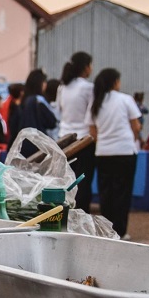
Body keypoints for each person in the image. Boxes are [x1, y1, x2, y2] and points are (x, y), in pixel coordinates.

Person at [85, 68, 142, 240]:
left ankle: (106, 229)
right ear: (115, 82)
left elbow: (92, 132)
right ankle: (120, 231)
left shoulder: (95, 103)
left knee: (105, 192)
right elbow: (136, 126)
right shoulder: (125, 99)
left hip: (103, 152)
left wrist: (102, 142)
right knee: (122, 192)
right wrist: (132, 139)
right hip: (124, 151)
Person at [58, 51, 95, 212]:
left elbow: (60, 110)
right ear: (86, 67)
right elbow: (92, 115)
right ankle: (81, 213)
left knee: (67, 180)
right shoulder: (88, 87)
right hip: (84, 140)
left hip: (64, 139)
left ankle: (66, 211)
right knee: (83, 182)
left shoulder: (62, 87)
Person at [17, 69, 58, 154]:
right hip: (38, 145)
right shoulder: (39, 101)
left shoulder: (24, 101)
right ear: (40, 84)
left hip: (24, 145)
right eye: (44, 82)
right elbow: (51, 122)